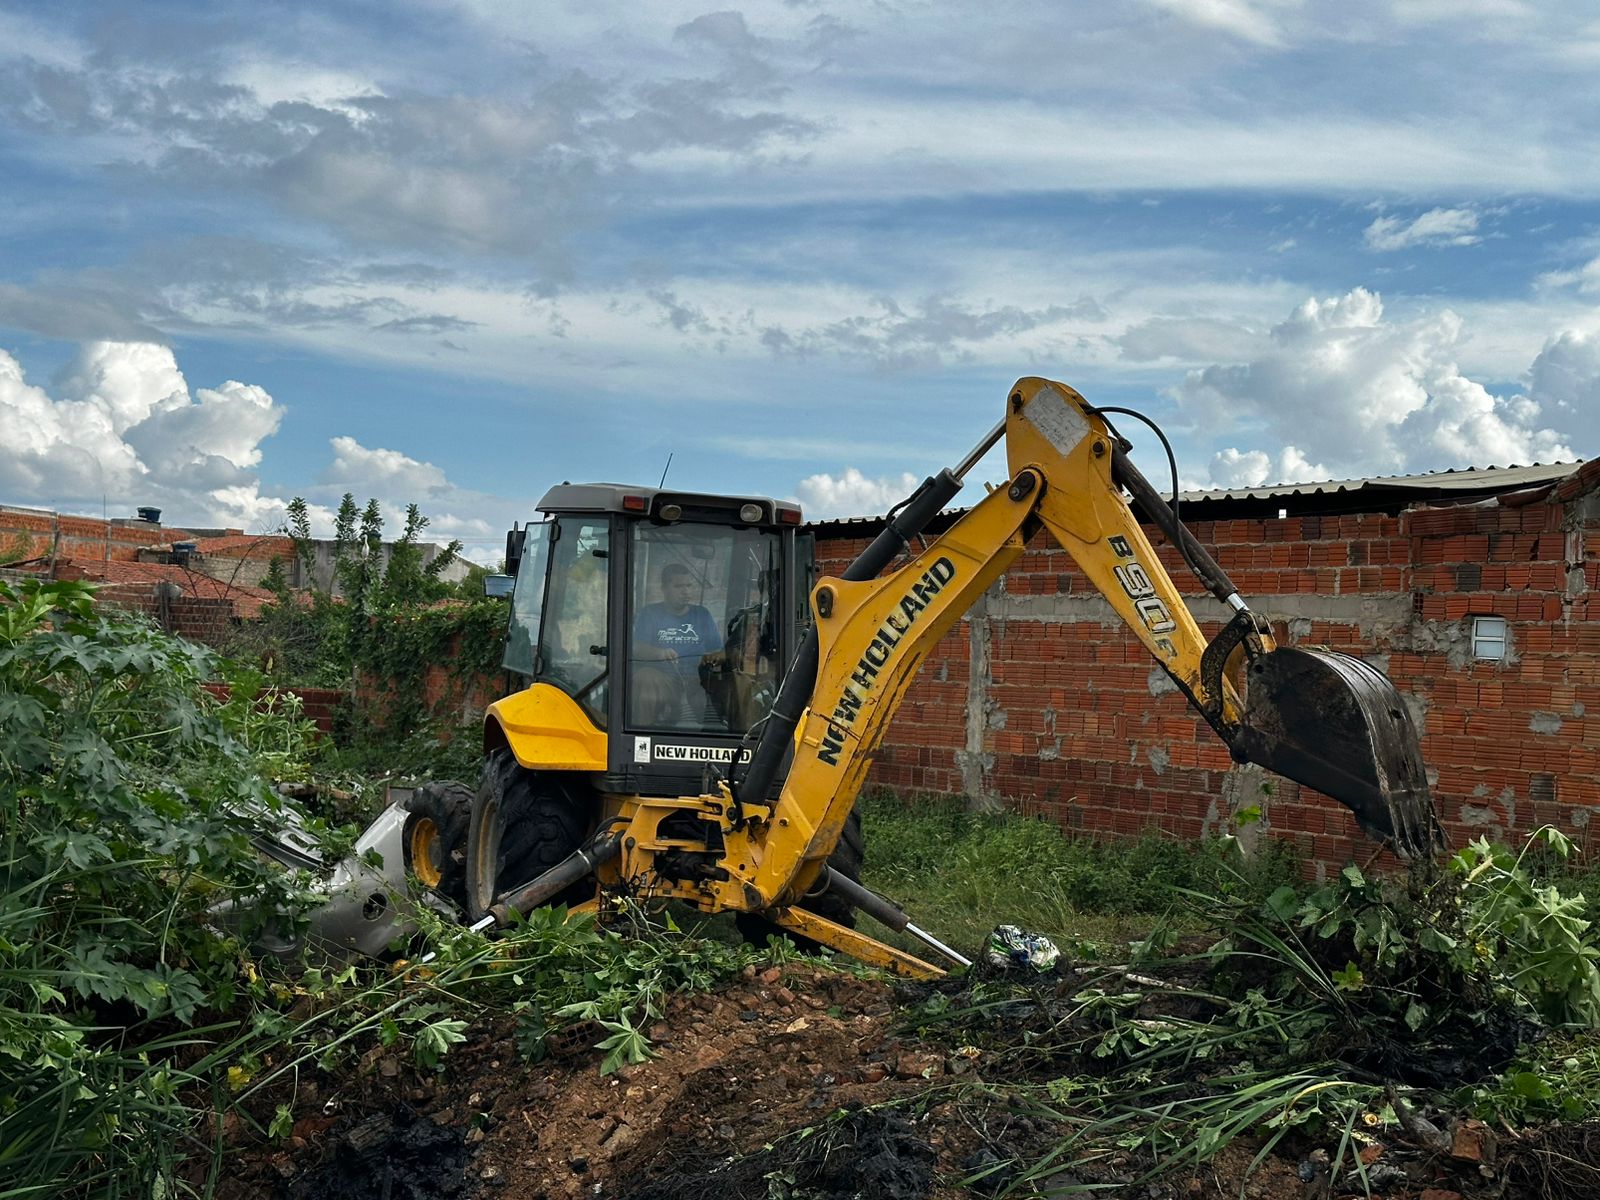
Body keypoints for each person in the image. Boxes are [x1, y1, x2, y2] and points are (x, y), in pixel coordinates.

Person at [632, 563, 723, 722]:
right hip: (664, 679)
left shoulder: (702, 614)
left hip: (698, 680)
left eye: (689, 585)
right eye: (678, 586)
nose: (685, 591)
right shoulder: (650, 613)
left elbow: (718, 650)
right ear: (664, 588)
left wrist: (712, 658)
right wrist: (659, 653)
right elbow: (637, 648)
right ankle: (642, 737)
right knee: (644, 678)